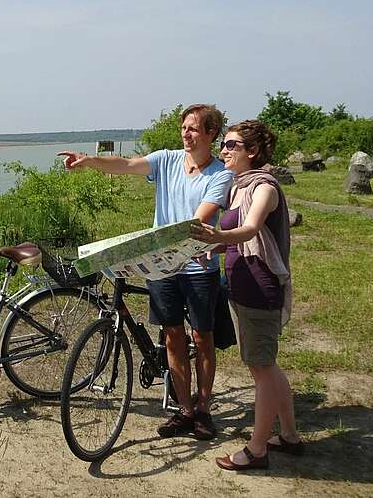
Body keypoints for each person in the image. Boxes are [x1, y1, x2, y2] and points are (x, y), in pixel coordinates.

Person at [59, 104, 233, 440]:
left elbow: (200, 217)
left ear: (211, 133)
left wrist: (183, 244)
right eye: (184, 127)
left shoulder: (220, 174)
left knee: (202, 336)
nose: (186, 133)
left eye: (194, 129)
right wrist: (89, 161)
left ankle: (204, 409)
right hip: (161, 267)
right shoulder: (167, 160)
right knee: (172, 335)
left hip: (198, 266)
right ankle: (184, 410)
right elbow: (125, 165)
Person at [190, 120, 302, 470]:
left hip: (259, 288)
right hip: (240, 285)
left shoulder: (264, 187)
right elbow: (244, 239)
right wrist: (219, 249)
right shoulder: (238, 187)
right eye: (223, 144)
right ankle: (289, 436)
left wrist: (215, 239)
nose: (223, 150)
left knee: (261, 369)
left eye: (232, 145)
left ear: (251, 152)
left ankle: (256, 450)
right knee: (266, 366)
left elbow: (251, 228)